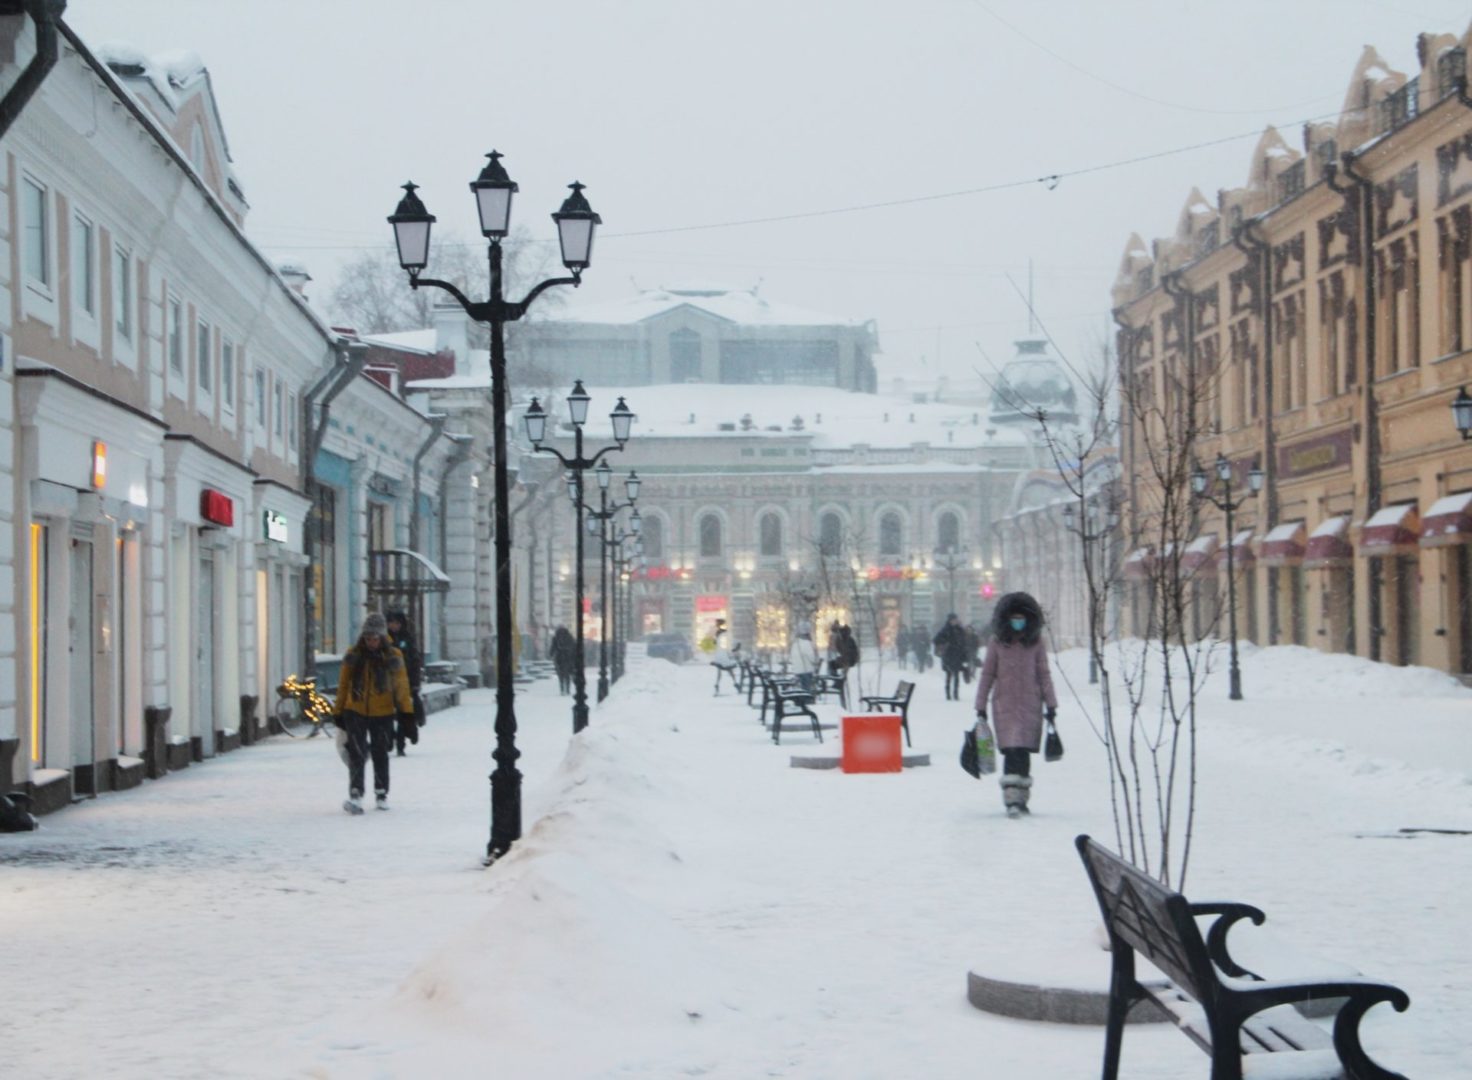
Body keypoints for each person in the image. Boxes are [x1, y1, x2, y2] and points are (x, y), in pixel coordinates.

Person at [973, 592, 1057, 819]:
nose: (1018, 622)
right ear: (1007, 619)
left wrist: (1051, 704)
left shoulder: (1036, 643)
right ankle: (1011, 800)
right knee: (1011, 750)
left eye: (1022, 618)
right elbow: (988, 674)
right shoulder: (997, 643)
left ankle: (1022, 798)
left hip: (1030, 705)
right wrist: (980, 705)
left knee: (1024, 751)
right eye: (1014, 617)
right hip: (1005, 705)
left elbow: (1044, 675)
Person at [333, 611, 414, 814]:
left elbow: (401, 686)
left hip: (383, 711)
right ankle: (356, 793)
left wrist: (407, 714)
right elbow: (343, 684)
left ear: (382, 637)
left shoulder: (393, 656)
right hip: (356, 710)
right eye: (368, 638)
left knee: (380, 753)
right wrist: (339, 711)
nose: (371, 642)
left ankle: (381, 793)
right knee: (357, 753)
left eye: (375, 638)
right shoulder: (353, 655)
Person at [385, 609, 423, 757]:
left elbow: (414, 661)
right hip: (387, 683)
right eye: (391, 623)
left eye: (396, 623)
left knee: (402, 715)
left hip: (404, 683)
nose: (394, 626)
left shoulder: (407, 638)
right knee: (386, 714)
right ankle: (389, 738)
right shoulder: (382, 639)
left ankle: (401, 744)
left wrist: (414, 682)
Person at [933, 613, 969, 701]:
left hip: (957, 655)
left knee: (956, 675)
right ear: (949, 620)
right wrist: (946, 643)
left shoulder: (960, 630)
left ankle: (956, 694)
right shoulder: (945, 630)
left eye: (955, 619)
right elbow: (936, 640)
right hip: (948, 655)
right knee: (949, 675)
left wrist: (964, 654)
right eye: (953, 620)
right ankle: (948, 694)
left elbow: (963, 642)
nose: (954, 621)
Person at [788, 624, 820, 692]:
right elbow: (812, 658)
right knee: (807, 688)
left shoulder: (795, 644)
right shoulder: (806, 643)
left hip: (797, 670)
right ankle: (808, 699)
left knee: (802, 687)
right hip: (806, 670)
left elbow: (791, 657)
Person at [549, 624, 577, 696]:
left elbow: (553, 646)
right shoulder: (569, 636)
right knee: (567, 674)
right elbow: (574, 646)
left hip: (559, 657)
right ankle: (567, 689)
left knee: (560, 674)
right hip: (568, 657)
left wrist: (551, 654)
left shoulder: (556, 637)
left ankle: (562, 689)